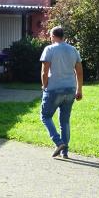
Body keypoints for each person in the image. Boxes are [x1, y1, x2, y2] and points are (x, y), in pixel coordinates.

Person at [40, 26, 83, 159]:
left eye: (50, 36)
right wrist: (79, 89)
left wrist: (44, 86)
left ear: (53, 36)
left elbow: (44, 72)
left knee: (45, 116)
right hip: (70, 89)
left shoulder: (49, 49)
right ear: (63, 36)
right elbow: (79, 72)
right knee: (65, 121)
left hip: (54, 89)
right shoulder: (73, 50)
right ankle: (64, 152)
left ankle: (59, 143)